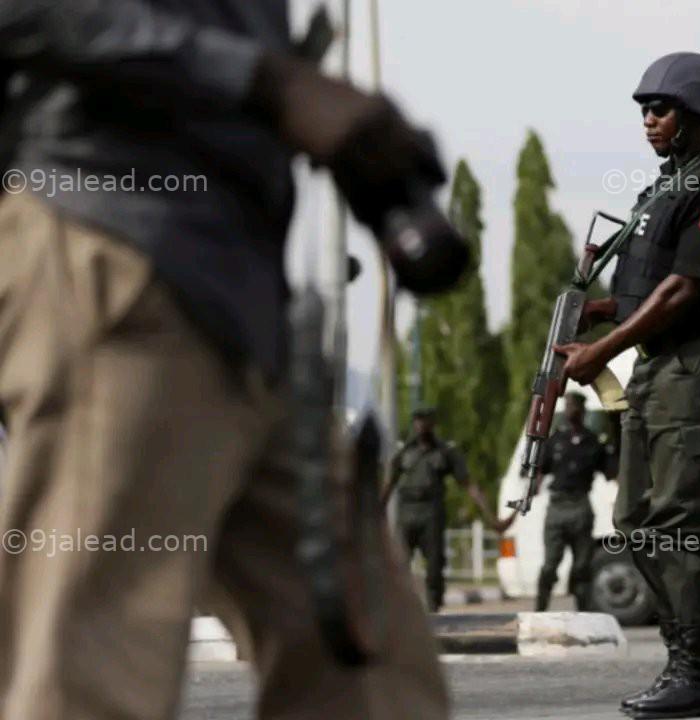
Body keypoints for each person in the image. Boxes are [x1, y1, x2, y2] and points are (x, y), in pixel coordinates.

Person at [0, 4, 453, 718]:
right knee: (92, 677)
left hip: (244, 296)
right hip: (118, 253)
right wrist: (273, 84)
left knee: (370, 663)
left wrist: (354, 144)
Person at [555, 51, 700, 720]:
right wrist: (603, 311)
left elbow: (683, 289)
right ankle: (686, 662)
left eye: (662, 108)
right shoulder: (663, 189)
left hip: (696, 365)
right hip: (656, 365)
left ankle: (698, 673)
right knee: (634, 520)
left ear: (697, 113)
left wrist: (600, 352)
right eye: (644, 109)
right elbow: (648, 291)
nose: (648, 119)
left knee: (679, 523)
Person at [386, 408, 499, 613]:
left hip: (431, 513)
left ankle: (434, 611)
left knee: (435, 566)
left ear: (432, 423)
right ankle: (398, 612)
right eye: (417, 420)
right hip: (407, 512)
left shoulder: (445, 452)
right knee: (398, 564)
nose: (420, 425)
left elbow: (468, 484)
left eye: (424, 420)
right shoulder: (404, 452)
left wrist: (490, 515)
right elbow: (387, 485)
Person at [530, 391, 617, 612]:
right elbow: (539, 472)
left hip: (580, 506)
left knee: (582, 567)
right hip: (557, 507)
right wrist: (528, 495)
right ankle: (540, 610)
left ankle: (583, 613)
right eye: (567, 405)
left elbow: (611, 474)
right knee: (550, 565)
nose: (571, 410)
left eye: (574, 406)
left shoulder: (593, 442)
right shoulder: (554, 441)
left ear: (582, 410)